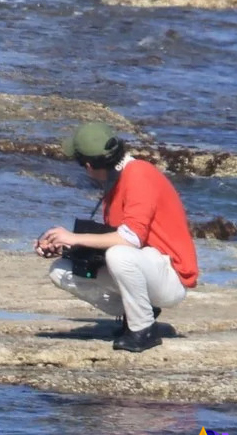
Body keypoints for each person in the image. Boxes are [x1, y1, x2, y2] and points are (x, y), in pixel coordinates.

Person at [36, 122, 199, 352]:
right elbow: (109, 241)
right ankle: (139, 312)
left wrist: (74, 237)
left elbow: (130, 238)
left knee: (119, 255)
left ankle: (143, 330)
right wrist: (64, 247)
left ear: (90, 165)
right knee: (60, 271)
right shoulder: (116, 180)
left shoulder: (139, 174)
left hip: (171, 276)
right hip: (147, 270)